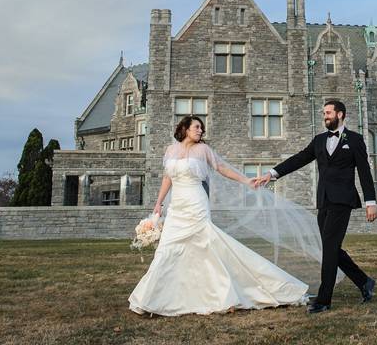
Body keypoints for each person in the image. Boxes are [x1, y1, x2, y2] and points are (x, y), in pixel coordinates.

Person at [129, 116, 309, 316]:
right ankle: (154, 298)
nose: (200, 131)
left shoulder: (203, 150)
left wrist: (245, 181)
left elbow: (222, 168)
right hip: (176, 207)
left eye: (201, 128)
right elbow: (167, 178)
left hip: (196, 202)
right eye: (197, 127)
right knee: (167, 248)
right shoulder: (170, 151)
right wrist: (158, 203)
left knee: (205, 246)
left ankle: (219, 294)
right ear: (185, 129)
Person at [253, 99, 377, 314]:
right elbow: (299, 159)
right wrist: (272, 174)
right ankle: (364, 281)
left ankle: (324, 299)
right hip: (324, 201)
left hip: (343, 200)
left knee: (329, 247)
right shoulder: (319, 140)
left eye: (328, 112)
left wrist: (371, 202)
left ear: (340, 114)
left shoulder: (355, 140)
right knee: (331, 249)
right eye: (324, 113)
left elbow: (365, 172)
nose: (325, 116)